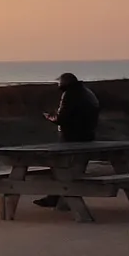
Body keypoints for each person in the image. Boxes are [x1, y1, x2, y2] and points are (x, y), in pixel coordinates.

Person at [32, 72, 102, 208]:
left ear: (65, 83)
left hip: (71, 137)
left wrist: (50, 117)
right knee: (71, 169)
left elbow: (61, 119)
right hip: (88, 136)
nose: (58, 86)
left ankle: (56, 198)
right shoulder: (88, 92)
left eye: (60, 83)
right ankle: (56, 198)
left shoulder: (69, 94)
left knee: (60, 166)